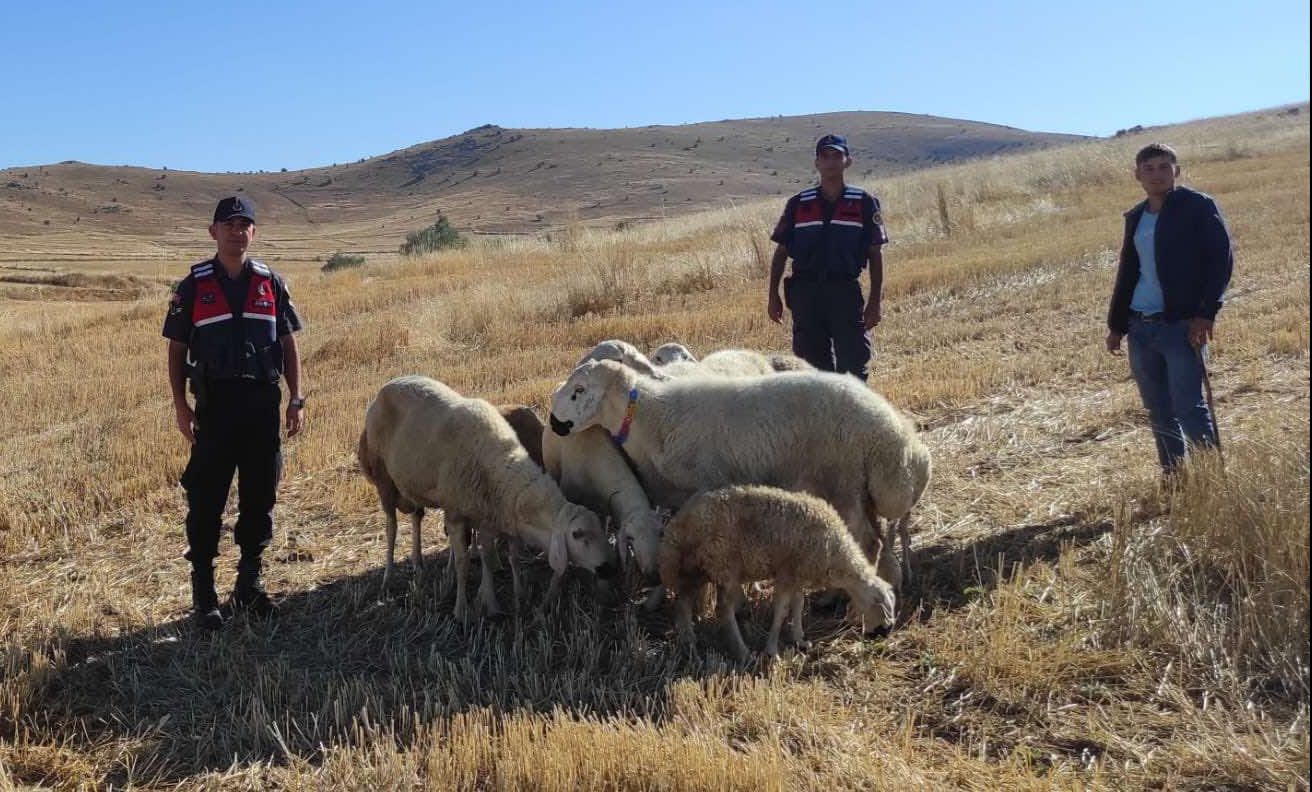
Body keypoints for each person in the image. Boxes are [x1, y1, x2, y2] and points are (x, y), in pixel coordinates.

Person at [163, 196, 306, 629]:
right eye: (228, 224)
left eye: (245, 225)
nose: (236, 231)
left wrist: (296, 397)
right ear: (213, 232)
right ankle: (204, 593)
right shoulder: (193, 286)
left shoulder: (271, 283)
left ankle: (249, 585)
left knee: (260, 498)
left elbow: (288, 345)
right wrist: (180, 407)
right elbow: (176, 350)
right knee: (206, 500)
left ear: (253, 234)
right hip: (216, 409)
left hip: (262, 407)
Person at [1105, 143, 1233, 478]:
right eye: (1149, 168)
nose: (1157, 174)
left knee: (1188, 407)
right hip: (1141, 326)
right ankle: (1175, 479)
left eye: (1164, 167)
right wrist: (1117, 325)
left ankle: (1211, 482)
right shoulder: (1136, 217)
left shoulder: (1198, 207)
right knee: (1159, 411)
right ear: (1138, 175)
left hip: (1181, 325)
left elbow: (1221, 261)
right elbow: (1129, 271)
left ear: (1176, 171)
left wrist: (1206, 313)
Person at [767, 134, 889, 380]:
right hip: (805, 294)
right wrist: (773, 296)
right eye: (825, 156)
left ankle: (853, 417)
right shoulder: (799, 203)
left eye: (837, 156)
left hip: (844, 291)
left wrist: (875, 301)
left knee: (853, 366)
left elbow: (875, 254)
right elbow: (780, 253)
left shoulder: (864, 203)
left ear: (848, 161)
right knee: (812, 370)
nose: (831, 162)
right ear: (817, 163)